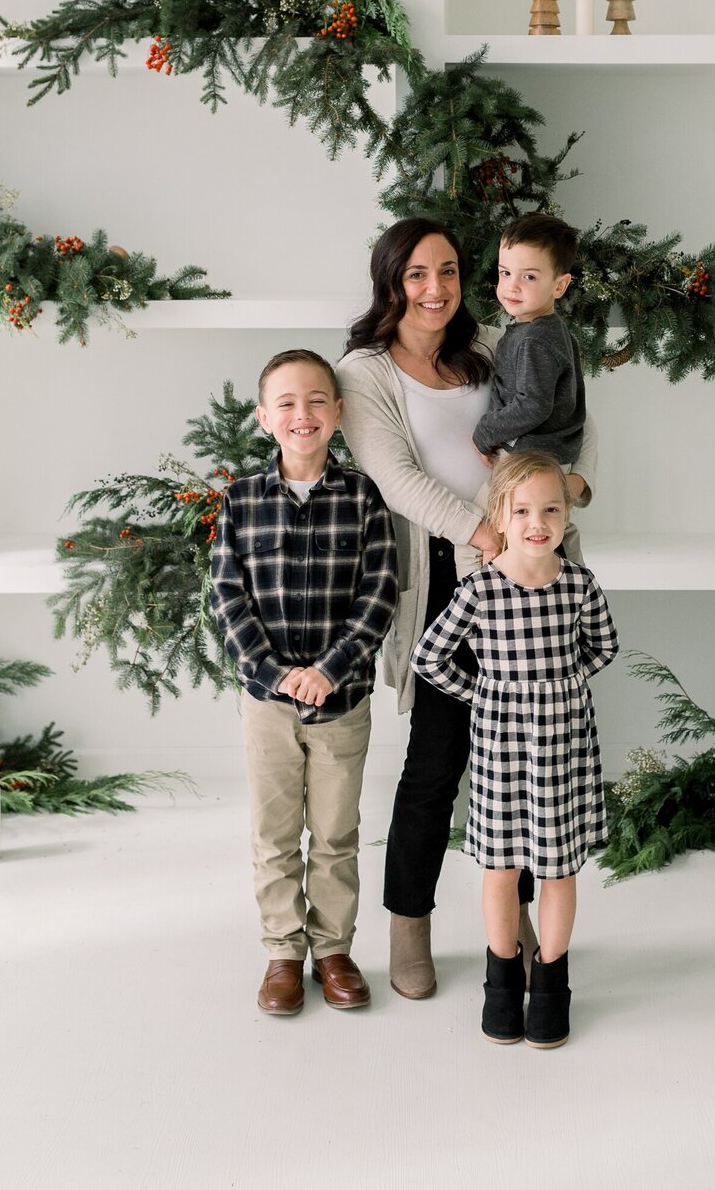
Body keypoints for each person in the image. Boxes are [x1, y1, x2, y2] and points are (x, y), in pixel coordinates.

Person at [337, 217, 599, 1002]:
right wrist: (487, 536)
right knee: (436, 766)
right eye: (417, 274)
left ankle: (511, 931)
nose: (436, 288)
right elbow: (397, 481)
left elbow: (565, 415)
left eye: (448, 270)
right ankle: (409, 923)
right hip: (454, 579)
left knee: (525, 766)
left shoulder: (495, 340)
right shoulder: (364, 372)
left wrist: (575, 489)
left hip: (535, 574)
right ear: (391, 282)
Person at [209, 348, 398, 1018]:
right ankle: (284, 954)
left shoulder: (362, 498)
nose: (303, 414)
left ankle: (334, 949)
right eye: (286, 403)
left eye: (317, 400)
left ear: (339, 414)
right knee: (275, 832)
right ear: (264, 417)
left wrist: (330, 669)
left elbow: (379, 595)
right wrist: (275, 673)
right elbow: (227, 600)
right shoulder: (239, 503)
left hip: (341, 701)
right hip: (267, 705)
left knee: (336, 831)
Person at [412, 450, 618, 1049]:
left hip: (564, 749)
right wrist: (485, 694)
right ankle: (502, 983)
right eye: (522, 509)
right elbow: (430, 658)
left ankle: (552, 984)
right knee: (501, 868)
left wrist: (559, 686)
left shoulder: (578, 584)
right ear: (499, 514)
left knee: (558, 868)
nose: (538, 521)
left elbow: (602, 647)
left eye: (551, 509)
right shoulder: (480, 587)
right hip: (502, 747)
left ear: (565, 514)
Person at [472, 213, 585, 468]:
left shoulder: (536, 339)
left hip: (532, 460)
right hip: (539, 456)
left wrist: (485, 432)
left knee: (491, 507)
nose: (512, 287)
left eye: (529, 277)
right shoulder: (547, 330)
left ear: (559, 286)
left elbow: (533, 405)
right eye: (505, 272)